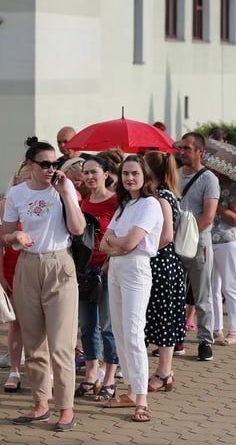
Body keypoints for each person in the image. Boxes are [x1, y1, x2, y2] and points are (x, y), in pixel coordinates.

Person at [1, 138, 86, 431]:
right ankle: (40, 403)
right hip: (27, 264)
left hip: (59, 263)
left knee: (61, 344)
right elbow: (6, 233)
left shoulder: (64, 188)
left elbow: (78, 228)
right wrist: (15, 238)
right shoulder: (16, 193)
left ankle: (66, 408)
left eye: (54, 164)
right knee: (33, 341)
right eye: (45, 164)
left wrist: (64, 192)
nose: (51, 169)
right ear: (30, 166)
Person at [99, 155, 162, 422]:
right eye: (125, 173)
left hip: (136, 269)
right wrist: (118, 242)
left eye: (135, 173)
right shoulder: (124, 205)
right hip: (115, 268)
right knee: (121, 333)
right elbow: (104, 244)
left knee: (134, 334)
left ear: (145, 176)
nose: (129, 178)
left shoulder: (150, 205)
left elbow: (128, 244)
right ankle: (131, 392)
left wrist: (117, 242)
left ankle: (142, 400)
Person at [76, 156, 119, 402]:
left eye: (95, 172)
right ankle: (91, 374)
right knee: (87, 324)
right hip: (85, 272)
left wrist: (109, 263)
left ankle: (110, 376)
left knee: (108, 326)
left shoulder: (116, 202)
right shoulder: (82, 202)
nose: (90, 177)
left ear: (106, 174)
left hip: (107, 270)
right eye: (86, 173)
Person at [143, 151, 186, 392]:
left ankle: (164, 372)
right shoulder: (163, 195)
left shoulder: (162, 197)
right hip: (164, 265)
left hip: (161, 265)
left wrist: (143, 249)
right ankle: (163, 371)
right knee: (159, 318)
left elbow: (167, 235)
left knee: (164, 319)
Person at [176, 132, 219, 361]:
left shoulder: (209, 179)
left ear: (200, 151)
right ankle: (176, 338)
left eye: (187, 148)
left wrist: (187, 237)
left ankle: (205, 341)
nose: (182, 152)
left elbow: (209, 216)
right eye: (181, 148)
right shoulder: (175, 174)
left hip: (197, 244)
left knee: (201, 294)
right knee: (175, 294)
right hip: (175, 244)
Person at [0, 162, 30, 393]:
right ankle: (14, 371)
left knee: (41, 324)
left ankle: (43, 371)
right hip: (12, 267)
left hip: (37, 267)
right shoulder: (6, 204)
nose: (27, 180)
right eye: (24, 176)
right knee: (16, 323)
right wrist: (1, 274)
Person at [210, 172, 236, 345]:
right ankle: (216, 327)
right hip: (208, 240)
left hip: (227, 241)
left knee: (230, 286)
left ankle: (235, 329)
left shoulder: (234, 188)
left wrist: (218, 207)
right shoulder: (209, 184)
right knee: (212, 286)